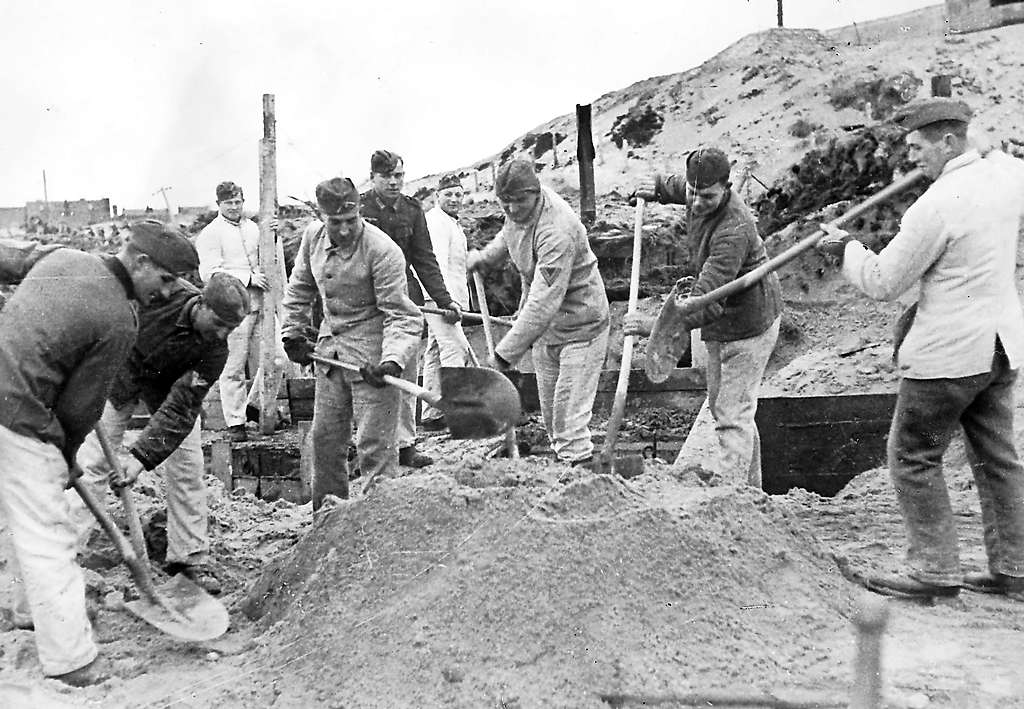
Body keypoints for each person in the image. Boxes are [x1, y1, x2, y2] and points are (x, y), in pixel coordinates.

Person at [817, 98, 1024, 601]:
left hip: (947, 357)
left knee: (912, 455)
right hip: (1000, 347)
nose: (912, 162)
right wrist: (988, 150)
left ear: (948, 142)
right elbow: (1003, 158)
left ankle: (933, 571)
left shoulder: (934, 206)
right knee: (1000, 459)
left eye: (917, 150)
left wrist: (845, 247)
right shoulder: (1007, 175)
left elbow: (884, 281)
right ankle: (1015, 568)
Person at [0, 220, 196, 685]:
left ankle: (27, 611)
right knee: (49, 537)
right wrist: (65, 458)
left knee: (17, 522)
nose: (168, 293)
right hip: (20, 418)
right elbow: (80, 408)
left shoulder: (61, 258)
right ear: (140, 261)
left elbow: (9, 259)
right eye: (166, 280)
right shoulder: (118, 317)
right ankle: (73, 662)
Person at [65, 271, 249, 595]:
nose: (222, 333)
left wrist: (139, 459)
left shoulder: (215, 350)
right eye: (219, 323)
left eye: (231, 329)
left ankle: (189, 557)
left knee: (188, 467)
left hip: (169, 390)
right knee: (91, 461)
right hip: (120, 374)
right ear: (201, 304)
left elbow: (181, 408)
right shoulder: (161, 296)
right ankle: (65, 557)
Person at [624, 147, 783, 487]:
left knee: (731, 414)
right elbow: (679, 186)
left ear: (727, 187)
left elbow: (706, 303)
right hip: (722, 323)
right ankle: (752, 492)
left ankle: (732, 497)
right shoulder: (697, 189)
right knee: (726, 406)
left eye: (707, 196)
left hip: (749, 323)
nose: (696, 202)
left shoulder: (733, 230)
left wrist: (655, 327)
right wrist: (655, 186)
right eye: (693, 194)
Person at [281, 177, 421, 510]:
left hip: (373, 361)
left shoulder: (382, 250)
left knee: (376, 448)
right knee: (325, 442)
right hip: (331, 358)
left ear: (359, 211)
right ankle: (327, 522)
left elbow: (403, 317)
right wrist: (293, 333)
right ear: (321, 216)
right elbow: (299, 290)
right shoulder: (311, 239)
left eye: (350, 221)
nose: (344, 230)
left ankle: (379, 525)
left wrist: (392, 361)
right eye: (335, 223)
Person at [466, 160, 609, 466]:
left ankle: (581, 481)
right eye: (506, 202)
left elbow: (544, 301)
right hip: (547, 330)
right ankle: (565, 469)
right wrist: (487, 257)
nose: (513, 209)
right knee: (552, 418)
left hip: (582, 326)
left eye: (519, 201)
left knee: (569, 419)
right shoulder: (516, 212)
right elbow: (509, 234)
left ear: (536, 192)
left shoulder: (557, 228)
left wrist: (504, 356)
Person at [360, 150, 461, 467]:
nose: (393, 182)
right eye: (387, 176)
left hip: (404, 302)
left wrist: (445, 301)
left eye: (398, 176)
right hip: (368, 302)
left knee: (404, 369)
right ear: (374, 176)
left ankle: (405, 446)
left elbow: (425, 260)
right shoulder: (360, 208)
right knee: (370, 373)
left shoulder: (412, 210)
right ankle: (369, 446)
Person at [194, 181, 285, 442]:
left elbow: (269, 257)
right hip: (232, 309)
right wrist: (246, 278)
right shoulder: (211, 234)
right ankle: (235, 422)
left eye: (238, 202)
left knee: (277, 358)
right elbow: (210, 273)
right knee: (233, 366)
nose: (235, 207)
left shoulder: (253, 228)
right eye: (229, 203)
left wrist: (274, 236)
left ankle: (254, 406)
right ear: (219, 204)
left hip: (261, 305)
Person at [421, 173, 475, 430]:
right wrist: (445, 301)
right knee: (456, 349)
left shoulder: (451, 223)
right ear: (436, 197)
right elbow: (436, 263)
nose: (454, 199)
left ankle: (431, 413)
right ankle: (455, 414)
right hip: (440, 299)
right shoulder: (436, 223)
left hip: (446, 298)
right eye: (448, 194)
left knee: (434, 351)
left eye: (458, 194)